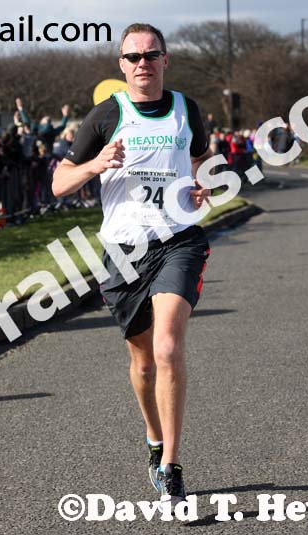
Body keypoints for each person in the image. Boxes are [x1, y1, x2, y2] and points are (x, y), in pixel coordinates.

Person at [52, 23, 211, 505]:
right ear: (121, 65)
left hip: (178, 240)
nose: (143, 63)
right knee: (143, 363)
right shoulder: (107, 114)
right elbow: (59, 183)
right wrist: (95, 165)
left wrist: (200, 183)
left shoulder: (186, 109)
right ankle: (154, 438)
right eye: (134, 57)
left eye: (151, 55)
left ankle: (172, 467)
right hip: (123, 252)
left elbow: (202, 158)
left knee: (167, 347)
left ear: (165, 60)